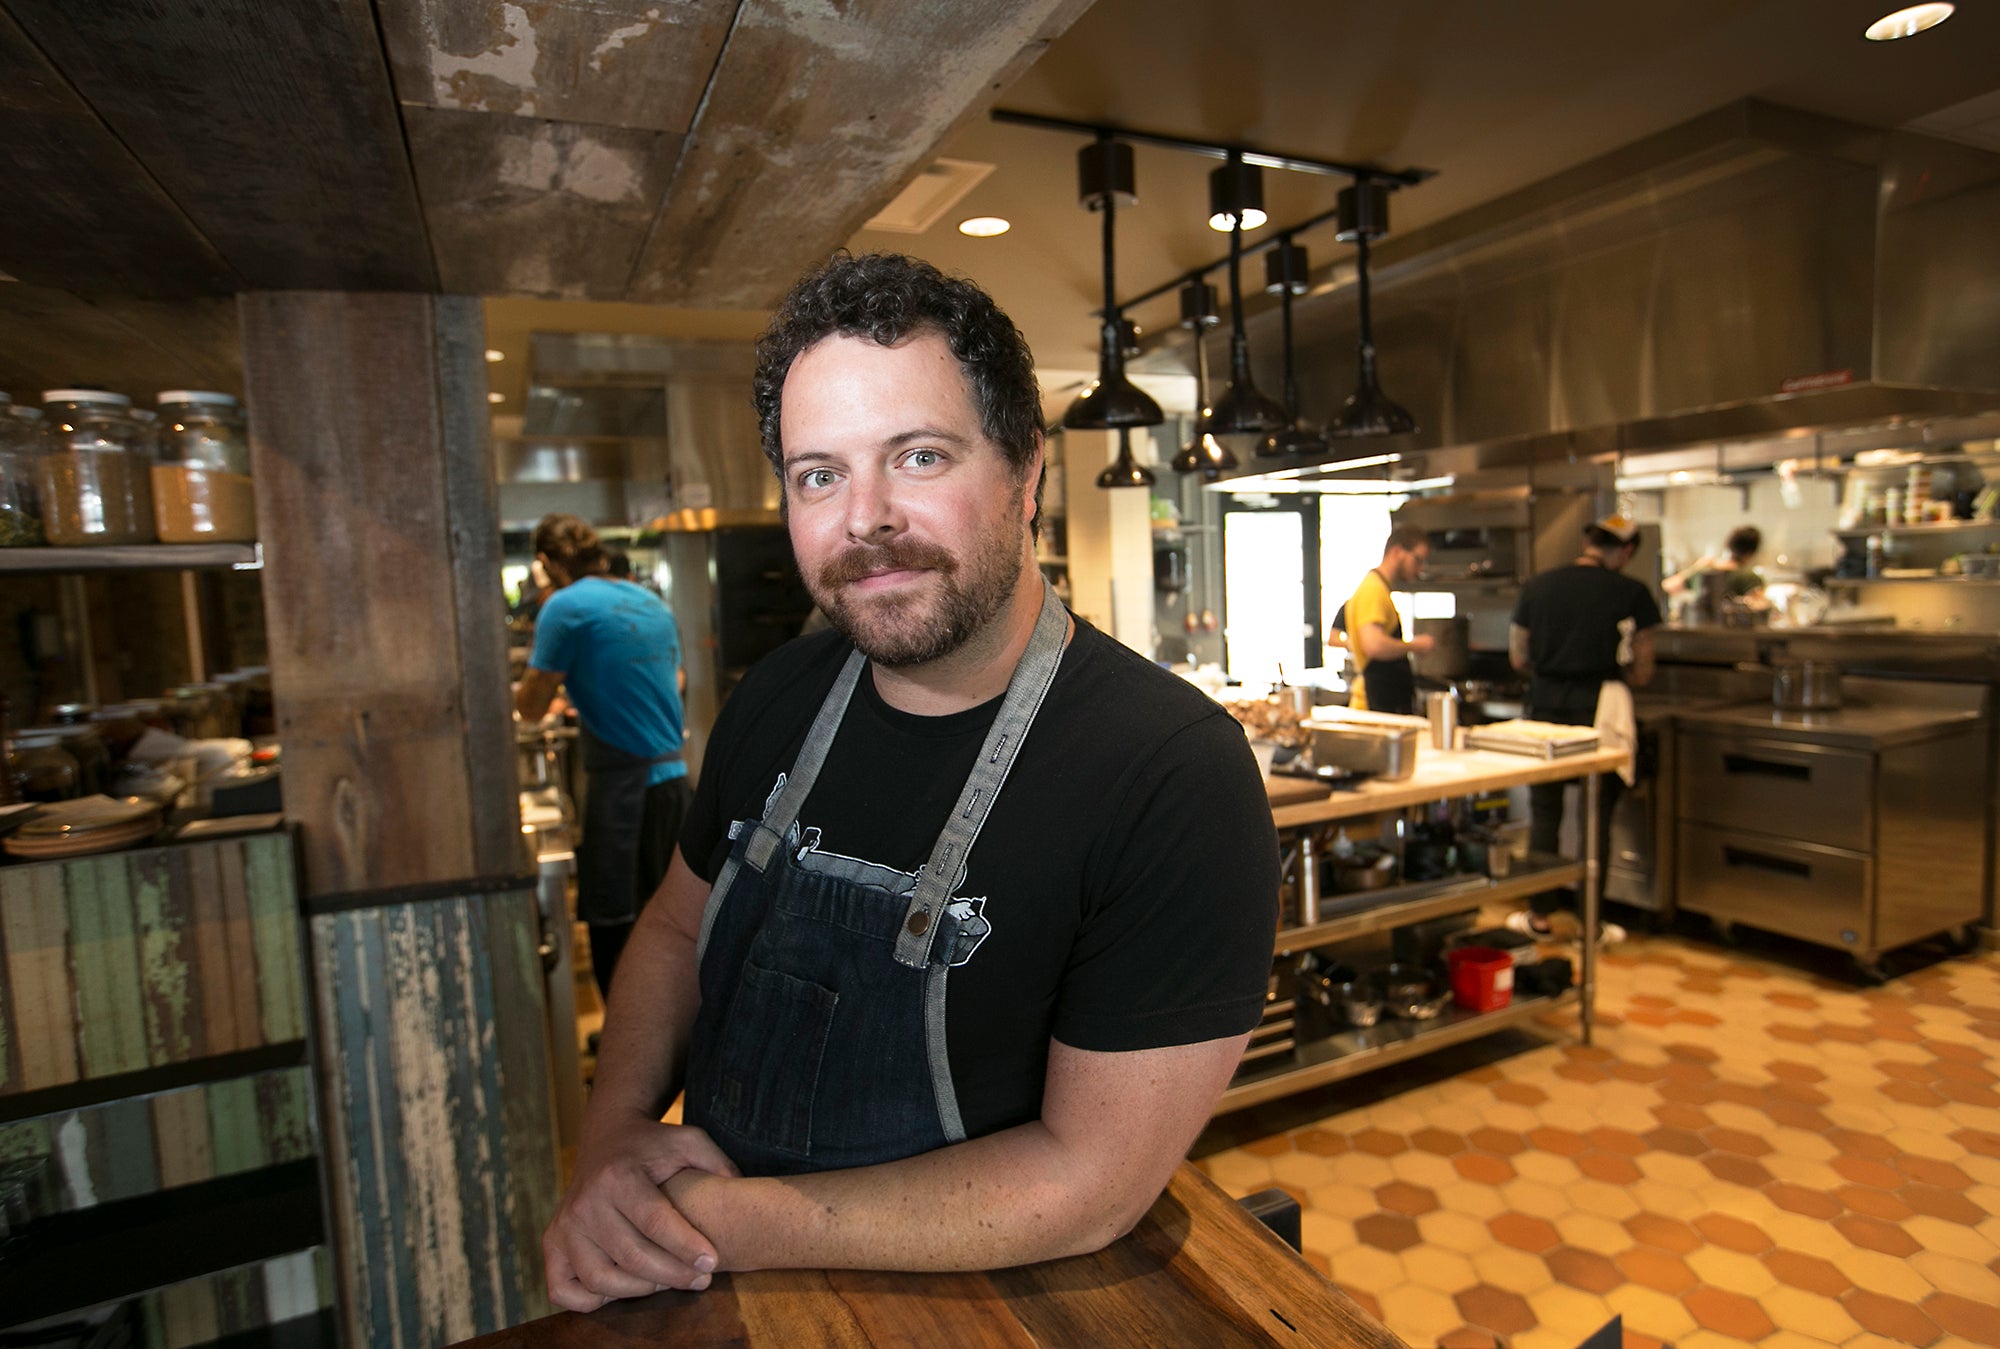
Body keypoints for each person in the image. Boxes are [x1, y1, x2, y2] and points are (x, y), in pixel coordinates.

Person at [540, 252, 1278, 1305]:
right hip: (734, 1290)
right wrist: (612, 1135)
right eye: (818, 474)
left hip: (980, 1307)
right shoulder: (777, 696)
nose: (865, 517)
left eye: (919, 456)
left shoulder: (1168, 774)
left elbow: (1091, 1179)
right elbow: (669, 932)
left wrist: (723, 1218)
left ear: (1027, 476)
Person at [516, 514, 691, 998]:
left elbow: (530, 706)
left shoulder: (564, 608)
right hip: (677, 787)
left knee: (617, 936)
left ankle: (627, 1059)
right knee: (677, 928)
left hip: (624, 796)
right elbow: (666, 684)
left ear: (547, 562)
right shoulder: (649, 602)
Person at [1508, 514, 1661, 924]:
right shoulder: (1631, 592)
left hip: (1545, 709)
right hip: (1599, 711)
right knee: (1596, 817)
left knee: (1545, 814)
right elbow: (1644, 669)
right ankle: (1589, 924)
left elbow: (1518, 657)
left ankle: (1539, 915)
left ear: (1586, 542)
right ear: (1626, 552)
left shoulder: (1538, 586)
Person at [1341, 524, 1435, 714]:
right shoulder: (1373, 590)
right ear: (1397, 551)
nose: (1419, 569)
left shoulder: (1378, 588)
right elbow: (1374, 646)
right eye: (1417, 560)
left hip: (1383, 702)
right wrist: (1415, 645)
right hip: (1375, 705)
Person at [1662, 524, 1765, 611]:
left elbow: (1667, 586)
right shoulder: (1749, 577)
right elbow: (1760, 606)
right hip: (1733, 632)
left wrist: (1695, 567)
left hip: (1699, 626)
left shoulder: (1705, 570)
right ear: (1751, 553)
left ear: (1727, 545)